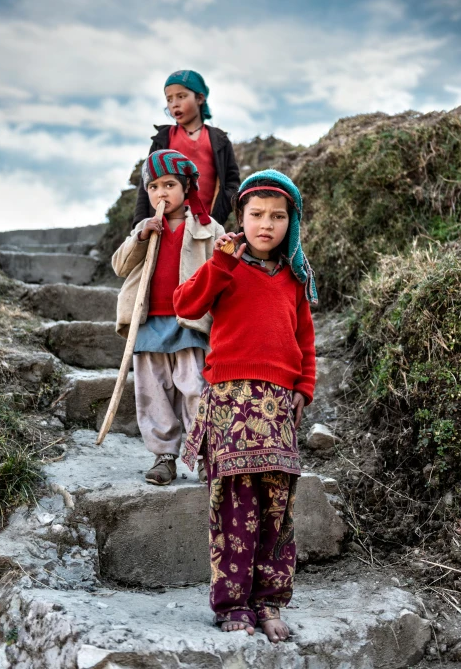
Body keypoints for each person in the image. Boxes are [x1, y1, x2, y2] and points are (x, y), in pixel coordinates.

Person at [174, 169, 318, 643]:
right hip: (231, 403)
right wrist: (219, 263)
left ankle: (270, 600)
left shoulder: (295, 279)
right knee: (235, 507)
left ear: (290, 224)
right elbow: (186, 305)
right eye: (256, 214)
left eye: (278, 216)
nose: (266, 224)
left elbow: (305, 341)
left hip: (278, 407)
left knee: (277, 508)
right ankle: (232, 603)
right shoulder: (225, 264)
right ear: (241, 218)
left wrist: (304, 388)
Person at [112, 149, 225, 485]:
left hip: (189, 322)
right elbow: (119, 266)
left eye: (170, 184)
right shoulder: (146, 229)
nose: (161, 193)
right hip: (148, 323)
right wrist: (141, 235)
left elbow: (224, 268)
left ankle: (205, 455)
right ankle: (164, 456)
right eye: (154, 186)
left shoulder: (207, 227)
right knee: (153, 392)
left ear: (187, 186)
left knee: (195, 388)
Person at [133, 70, 240, 228]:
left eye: (181, 96)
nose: (174, 103)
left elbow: (232, 183)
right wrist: (140, 224)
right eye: (169, 99)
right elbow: (147, 184)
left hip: (205, 226)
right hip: (166, 226)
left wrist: (216, 218)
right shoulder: (163, 139)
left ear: (200, 98)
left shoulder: (219, 140)